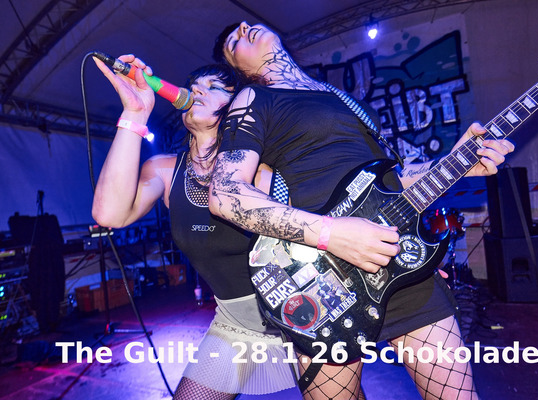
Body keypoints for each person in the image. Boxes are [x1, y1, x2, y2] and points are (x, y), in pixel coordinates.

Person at [208, 22, 515, 400]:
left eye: (244, 28)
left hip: (401, 265)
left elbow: (390, 180)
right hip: (323, 282)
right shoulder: (254, 98)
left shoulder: (343, 99)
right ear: (237, 69)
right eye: (234, 41)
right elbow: (225, 194)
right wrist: (331, 233)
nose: (244, 27)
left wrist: (457, 162)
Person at [91, 55, 298, 399]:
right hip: (237, 323)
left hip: (300, 308)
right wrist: (134, 114)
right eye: (193, 86)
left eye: (214, 87)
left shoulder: (264, 168)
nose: (198, 91)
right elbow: (109, 214)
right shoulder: (164, 169)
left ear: (239, 106)